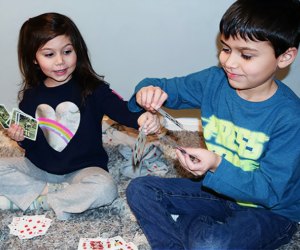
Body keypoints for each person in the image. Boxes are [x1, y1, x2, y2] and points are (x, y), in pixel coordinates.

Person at [126, 0, 300, 249]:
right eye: (226, 48)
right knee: (140, 190)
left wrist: (217, 165)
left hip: (270, 211)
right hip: (217, 193)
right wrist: (147, 92)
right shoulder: (214, 81)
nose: (229, 62)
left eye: (246, 55)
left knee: (211, 243)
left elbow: (271, 191)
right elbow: (161, 85)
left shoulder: (291, 117)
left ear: (285, 57)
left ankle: (196, 230)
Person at [0, 12, 160, 220]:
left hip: (84, 170)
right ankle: (53, 196)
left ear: (78, 50)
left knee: (105, 188)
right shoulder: (30, 98)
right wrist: (20, 139)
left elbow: (123, 111)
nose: (60, 61)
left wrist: (142, 118)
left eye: (67, 51)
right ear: (34, 58)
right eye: (49, 54)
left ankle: (42, 199)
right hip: (39, 169)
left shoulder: (93, 89)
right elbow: (33, 145)